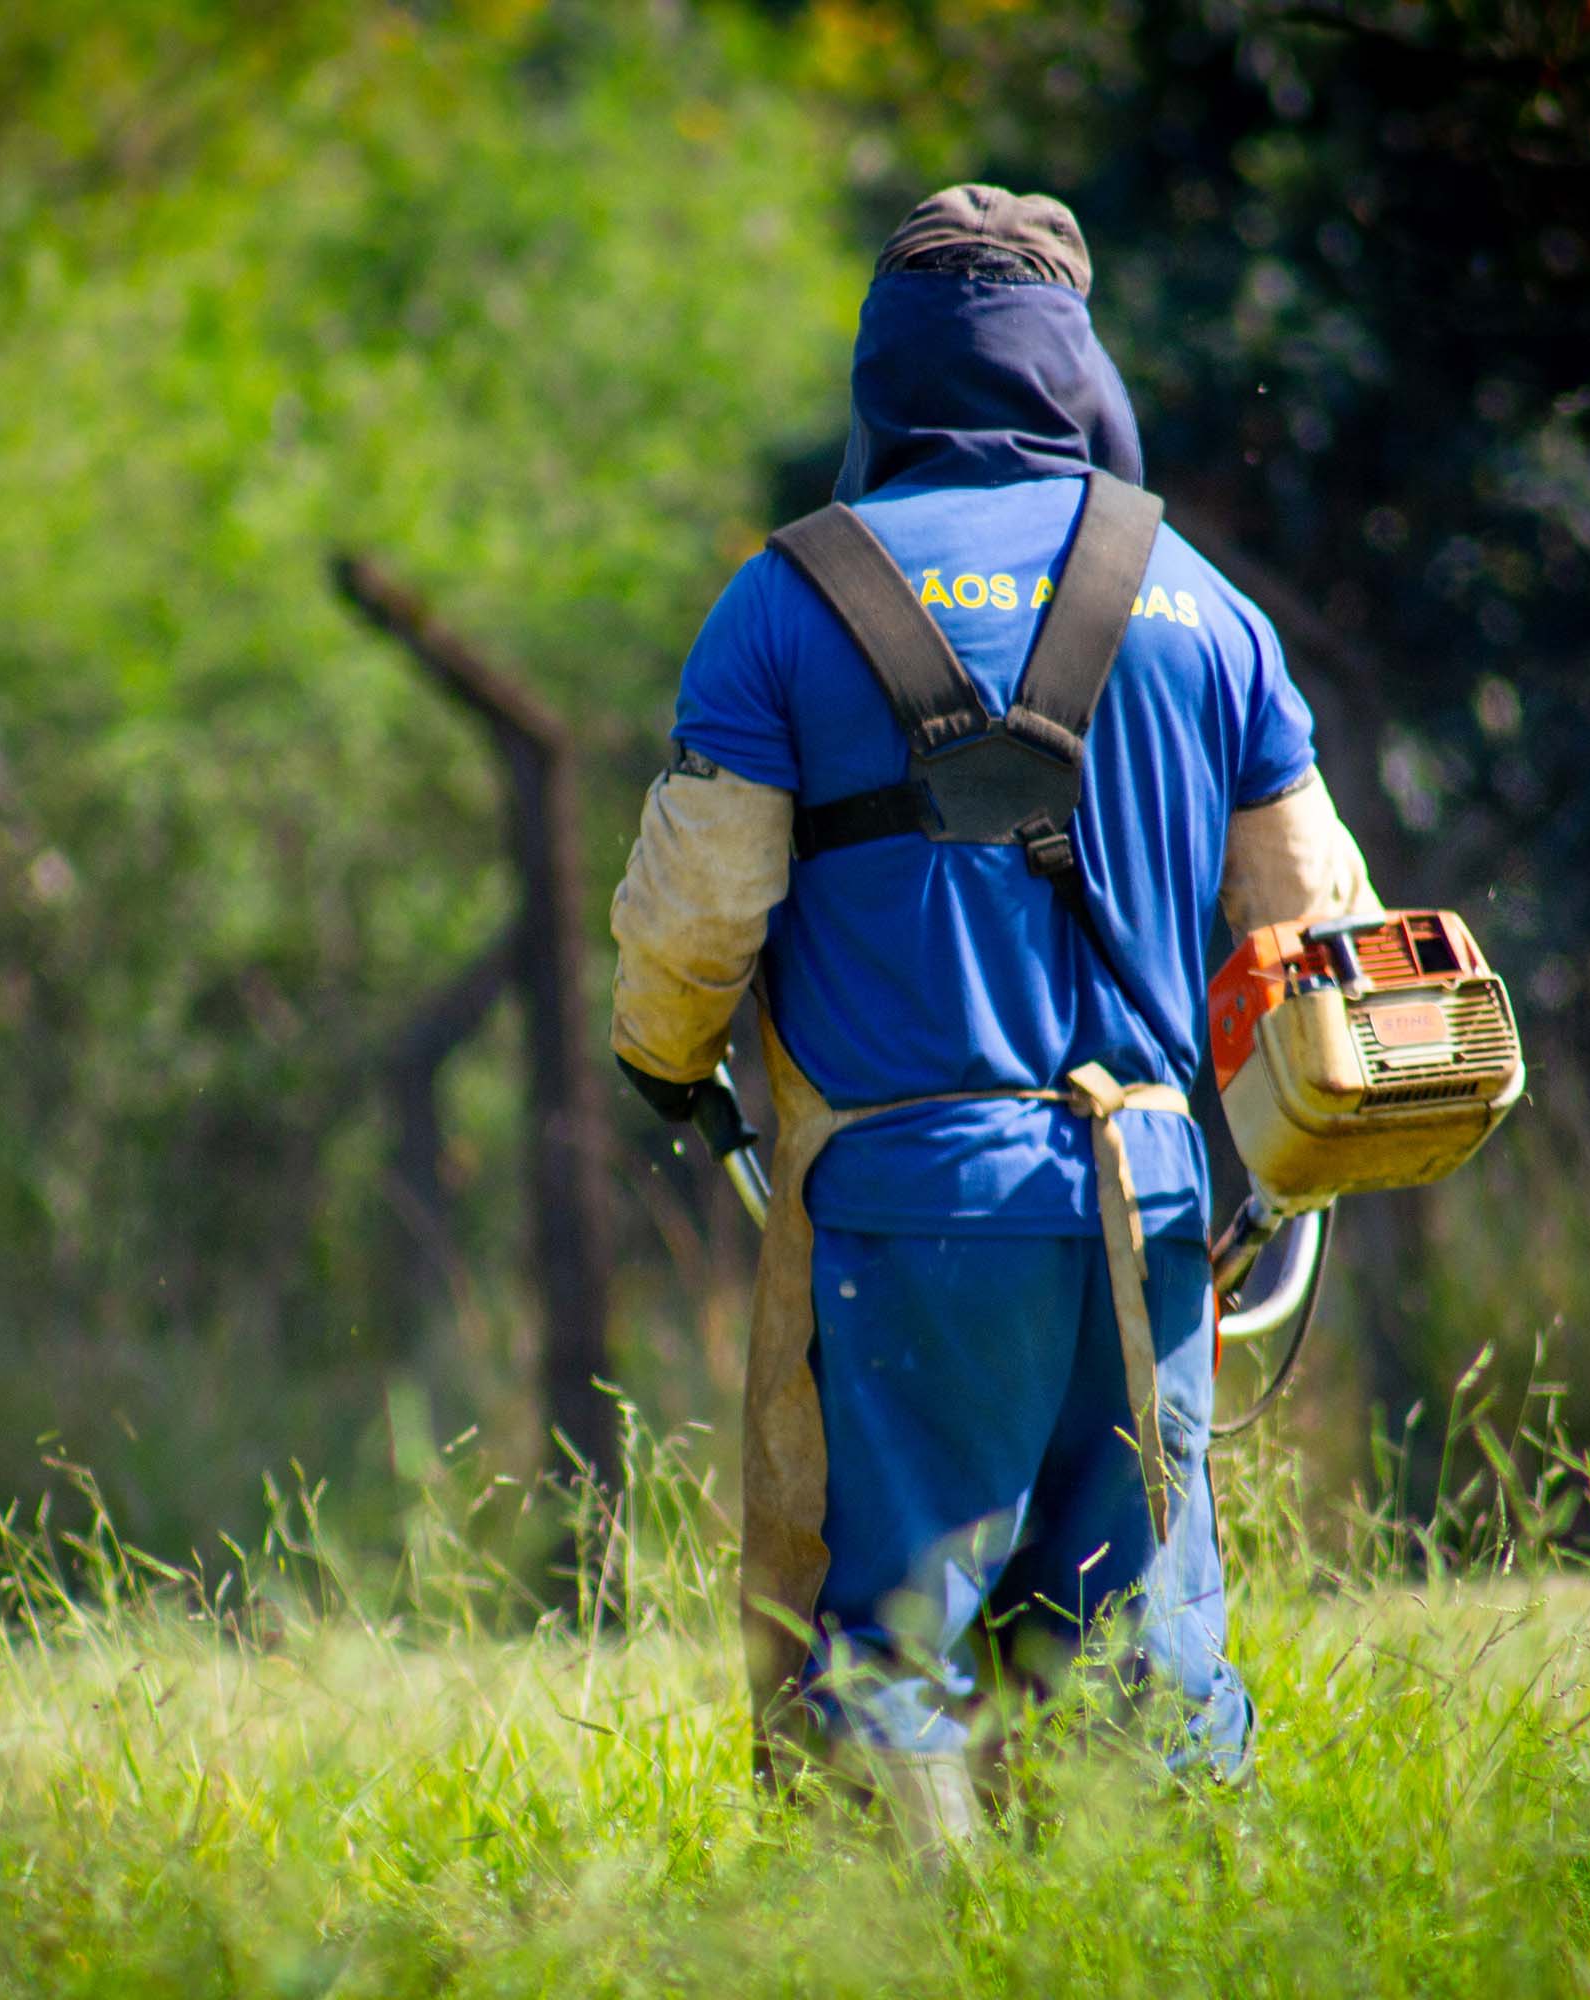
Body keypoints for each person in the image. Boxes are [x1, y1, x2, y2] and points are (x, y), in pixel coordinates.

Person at [606, 185, 1381, 1848]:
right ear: (1079, 368)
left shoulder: (783, 603)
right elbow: (1319, 938)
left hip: (902, 1213)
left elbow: (699, 917)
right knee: (1140, 1651)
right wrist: (1271, 1170)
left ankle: (895, 1954)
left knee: (886, 1652)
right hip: (1158, 1200)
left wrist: (668, 1070)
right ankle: (1177, 1943)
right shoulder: (1201, 602)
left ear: (882, 374)